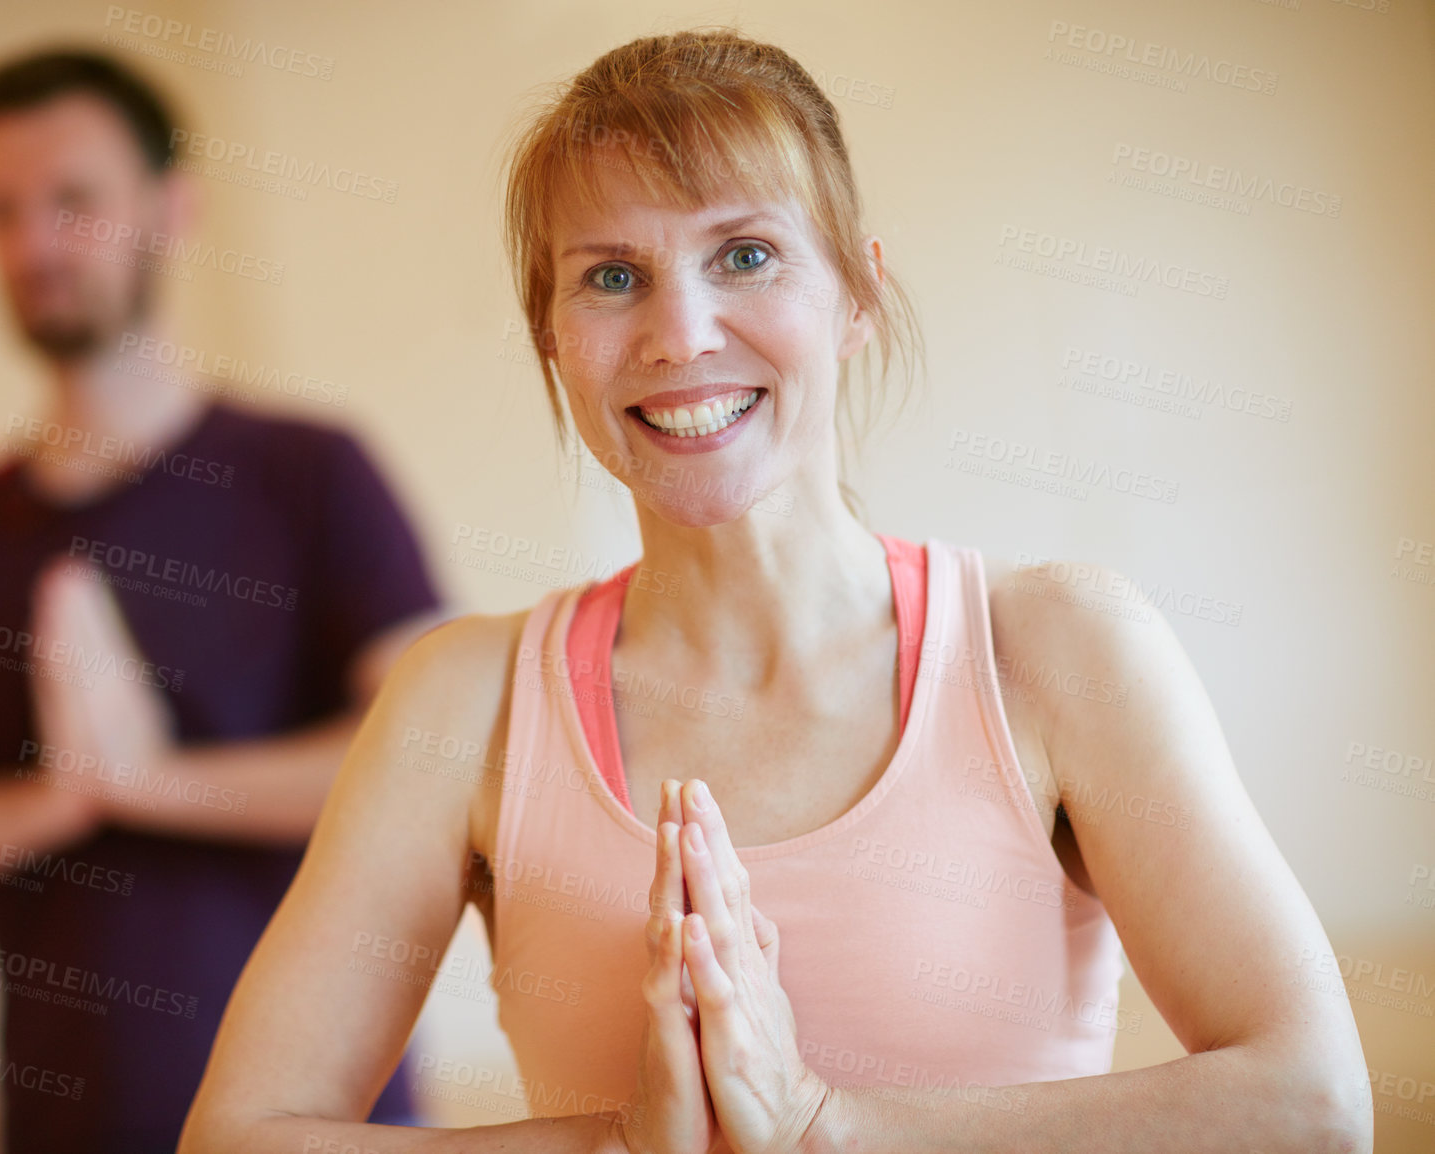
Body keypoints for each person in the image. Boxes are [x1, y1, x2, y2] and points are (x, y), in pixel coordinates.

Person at [179, 29, 1371, 1154]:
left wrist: (818, 1122)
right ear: (550, 331)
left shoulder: (1057, 647)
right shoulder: (463, 699)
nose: (679, 332)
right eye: (609, 276)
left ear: (856, 292)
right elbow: (237, 1137)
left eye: (744, 254)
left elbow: (1310, 1098)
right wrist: (625, 1139)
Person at [0, 51, 440, 1153]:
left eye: (73, 202)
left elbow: (428, 763)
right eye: (2, 210)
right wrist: (51, 802)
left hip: (325, 1125)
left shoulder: (311, 472)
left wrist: (151, 781)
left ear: (173, 208)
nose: (32, 244)